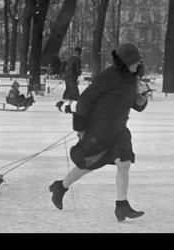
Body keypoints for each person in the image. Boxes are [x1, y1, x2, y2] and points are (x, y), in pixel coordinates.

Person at [49, 43, 148, 222]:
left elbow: (133, 103)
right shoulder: (108, 76)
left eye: (138, 62)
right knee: (87, 166)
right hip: (100, 130)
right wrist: (80, 127)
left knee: (124, 164)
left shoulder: (133, 78)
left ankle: (122, 206)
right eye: (134, 62)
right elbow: (84, 100)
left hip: (119, 130)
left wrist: (141, 101)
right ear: (124, 62)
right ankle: (60, 186)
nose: (137, 65)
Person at [56, 47, 82, 113]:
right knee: (73, 93)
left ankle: (67, 107)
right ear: (78, 52)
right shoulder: (77, 59)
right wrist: (79, 73)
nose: (80, 54)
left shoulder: (70, 58)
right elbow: (77, 69)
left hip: (68, 77)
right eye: (80, 52)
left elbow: (67, 67)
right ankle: (61, 103)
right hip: (72, 78)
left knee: (70, 93)